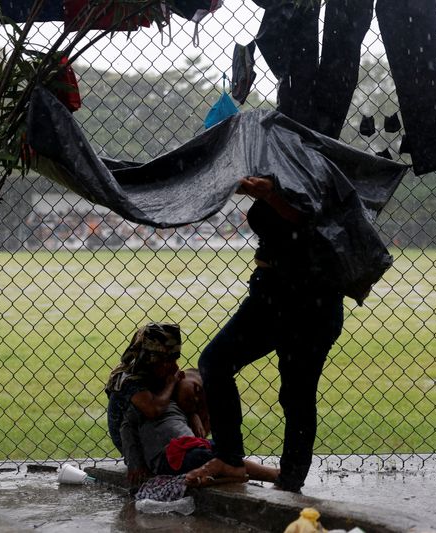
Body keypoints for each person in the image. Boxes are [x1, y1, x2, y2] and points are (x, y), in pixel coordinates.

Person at [186, 176, 345, 493]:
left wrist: (271, 196)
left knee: (297, 394)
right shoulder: (270, 156)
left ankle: (291, 479)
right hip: (270, 296)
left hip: (311, 301)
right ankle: (230, 458)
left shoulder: (311, 166)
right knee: (215, 363)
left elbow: (312, 221)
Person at [121, 368, 280, 486]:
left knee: (222, 450)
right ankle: (271, 474)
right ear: (180, 376)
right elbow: (127, 426)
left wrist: (194, 413)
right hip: (169, 456)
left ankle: (235, 473)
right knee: (205, 457)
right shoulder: (154, 398)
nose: (195, 399)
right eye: (196, 389)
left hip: (187, 452)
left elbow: (200, 436)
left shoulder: (186, 411)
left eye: (199, 403)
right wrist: (136, 463)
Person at [105, 322, 184, 482]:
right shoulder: (130, 380)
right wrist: (171, 384)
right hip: (136, 443)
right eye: (163, 361)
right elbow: (153, 410)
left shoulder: (158, 370)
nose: (171, 366)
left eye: (172, 359)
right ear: (147, 358)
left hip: (160, 431)